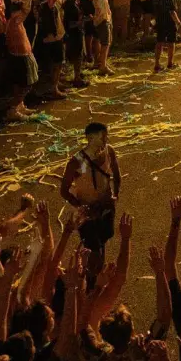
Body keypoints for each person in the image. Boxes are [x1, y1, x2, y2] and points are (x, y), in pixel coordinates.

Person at [59, 118, 122, 275]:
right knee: (93, 249)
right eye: (103, 137)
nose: (106, 140)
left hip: (106, 207)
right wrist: (81, 208)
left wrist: (115, 194)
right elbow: (64, 190)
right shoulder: (75, 162)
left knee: (103, 240)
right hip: (88, 214)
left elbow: (116, 172)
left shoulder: (109, 150)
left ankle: (96, 276)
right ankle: (90, 282)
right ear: (91, 138)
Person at [149, 0, 181, 72]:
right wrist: (179, 24)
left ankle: (157, 64)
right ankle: (170, 63)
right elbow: (172, 11)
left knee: (159, 42)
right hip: (168, 20)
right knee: (171, 42)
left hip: (159, 20)